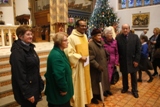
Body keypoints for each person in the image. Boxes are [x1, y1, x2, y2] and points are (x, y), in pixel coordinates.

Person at [10, 25, 44, 107]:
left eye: (31, 34)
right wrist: (28, 93)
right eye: (28, 34)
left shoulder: (30, 48)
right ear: (20, 36)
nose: (31, 36)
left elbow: (34, 68)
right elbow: (19, 75)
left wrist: (40, 82)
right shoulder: (17, 52)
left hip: (33, 86)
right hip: (27, 90)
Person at [65, 19, 92, 107]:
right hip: (78, 66)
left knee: (86, 84)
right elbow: (69, 53)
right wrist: (80, 57)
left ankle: (85, 101)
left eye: (85, 25)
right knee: (79, 86)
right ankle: (78, 103)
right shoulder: (71, 38)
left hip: (86, 65)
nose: (84, 27)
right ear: (76, 27)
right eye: (82, 26)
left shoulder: (84, 36)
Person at [44, 32, 73, 107]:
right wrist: (64, 89)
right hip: (58, 95)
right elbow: (59, 75)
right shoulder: (56, 55)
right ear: (59, 42)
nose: (68, 42)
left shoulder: (60, 52)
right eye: (65, 40)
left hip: (61, 96)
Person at [116, 24, 141, 98]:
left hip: (133, 60)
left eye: (126, 28)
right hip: (123, 60)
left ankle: (134, 90)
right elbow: (116, 50)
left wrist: (137, 60)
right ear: (122, 29)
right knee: (124, 75)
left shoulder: (135, 37)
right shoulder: (118, 37)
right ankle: (125, 88)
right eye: (123, 28)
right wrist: (117, 60)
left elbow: (138, 50)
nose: (125, 30)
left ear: (129, 29)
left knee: (133, 77)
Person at [89, 28, 111, 104]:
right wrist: (97, 66)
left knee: (102, 82)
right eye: (98, 35)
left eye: (100, 35)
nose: (99, 37)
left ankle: (99, 95)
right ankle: (94, 97)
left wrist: (107, 54)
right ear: (94, 36)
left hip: (103, 66)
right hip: (96, 68)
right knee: (95, 83)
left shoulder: (102, 43)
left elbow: (103, 52)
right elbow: (91, 59)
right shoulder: (91, 45)